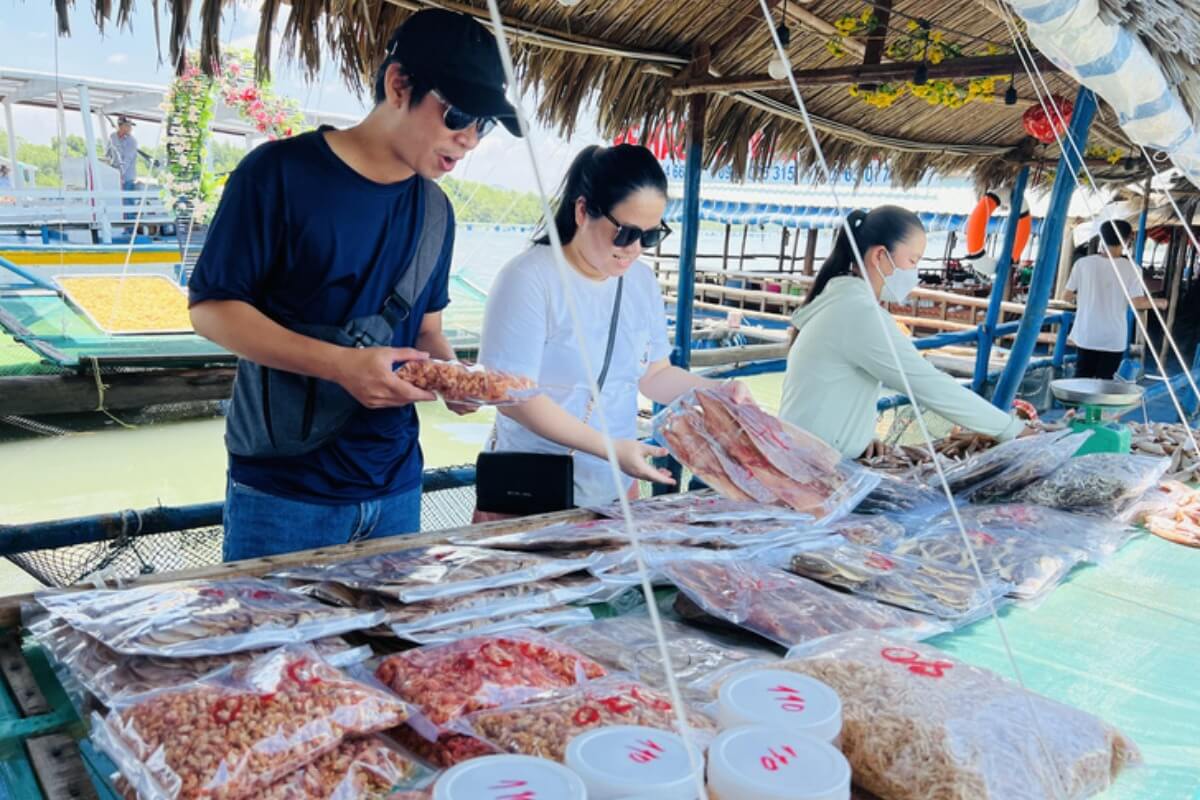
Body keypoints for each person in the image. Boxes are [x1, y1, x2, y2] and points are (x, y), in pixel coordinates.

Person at [188, 9, 519, 561]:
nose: (469, 139)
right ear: (398, 85)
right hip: (285, 491)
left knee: (393, 647)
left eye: (483, 125)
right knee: (272, 648)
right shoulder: (278, 174)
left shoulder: (435, 211)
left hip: (396, 485)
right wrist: (340, 365)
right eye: (458, 113)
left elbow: (428, 327)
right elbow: (212, 310)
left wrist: (454, 376)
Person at [478, 144, 751, 507]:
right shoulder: (528, 278)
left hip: (615, 488)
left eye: (651, 235)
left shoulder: (640, 282)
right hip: (532, 487)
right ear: (582, 211)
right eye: (625, 233)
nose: (636, 248)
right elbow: (512, 397)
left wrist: (717, 391)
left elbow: (655, 376)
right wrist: (610, 449)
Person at [780, 205, 1025, 459]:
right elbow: (928, 385)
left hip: (804, 455)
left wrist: (859, 436)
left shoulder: (841, 301)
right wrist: (1013, 430)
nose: (914, 273)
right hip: (809, 467)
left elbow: (831, 393)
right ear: (880, 256)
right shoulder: (859, 314)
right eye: (912, 261)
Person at [1064, 219, 1157, 380]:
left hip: (1087, 333)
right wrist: (1160, 302)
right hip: (1113, 338)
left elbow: (1067, 296)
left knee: (1081, 378)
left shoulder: (1083, 264)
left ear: (1102, 238)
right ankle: (1096, 406)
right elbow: (1137, 302)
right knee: (1105, 381)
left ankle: (1073, 406)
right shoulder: (1132, 269)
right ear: (1128, 240)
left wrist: (1088, 296)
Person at [106, 116, 140, 199]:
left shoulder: (132, 141)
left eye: (130, 126)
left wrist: (119, 175)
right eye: (128, 125)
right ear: (120, 126)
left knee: (126, 202)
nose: (130, 128)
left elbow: (127, 160)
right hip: (114, 176)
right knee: (114, 201)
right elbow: (108, 154)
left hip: (127, 178)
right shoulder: (112, 137)